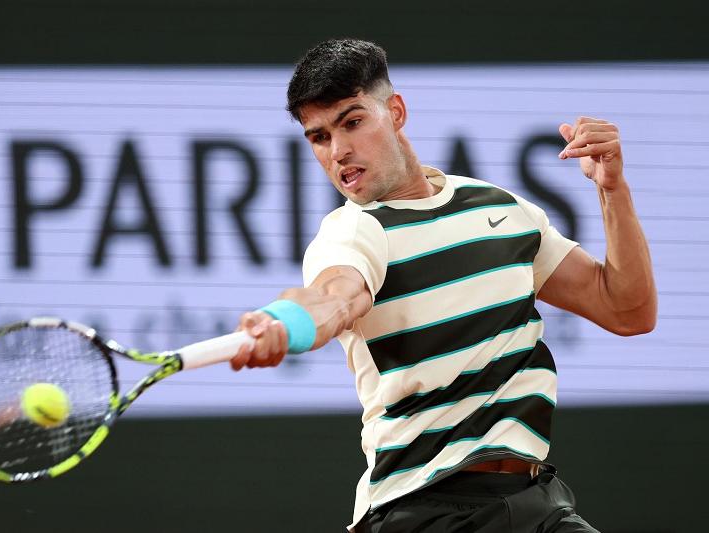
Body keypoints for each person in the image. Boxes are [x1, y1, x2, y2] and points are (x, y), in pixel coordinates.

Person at [230, 39, 656, 532]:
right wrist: (289, 320)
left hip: (534, 503)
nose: (338, 151)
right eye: (319, 137)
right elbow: (335, 297)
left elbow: (627, 310)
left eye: (352, 122)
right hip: (421, 512)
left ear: (395, 111)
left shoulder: (501, 210)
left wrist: (612, 189)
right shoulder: (353, 232)